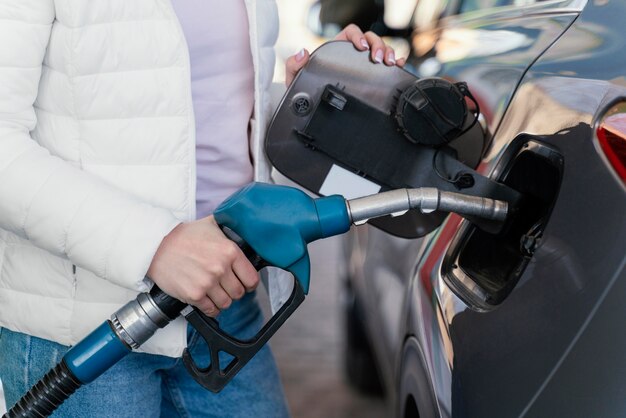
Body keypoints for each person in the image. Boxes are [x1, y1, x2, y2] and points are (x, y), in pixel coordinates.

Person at [0, 1, 403, 416]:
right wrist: (157, 245)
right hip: (85, 323)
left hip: (224, 303)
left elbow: (214, 120)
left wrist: (311, 97)